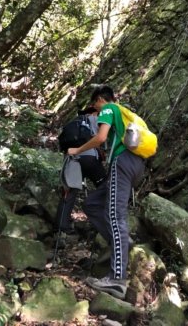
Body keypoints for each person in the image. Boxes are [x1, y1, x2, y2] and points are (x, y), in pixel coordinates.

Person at [67, 85, 145, 300]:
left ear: (101, 99)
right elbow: (109, 142)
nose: (95, 110)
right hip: (135, 166)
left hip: (123, 164)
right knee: (92, 204)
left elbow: (100, 137)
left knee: (115, 215)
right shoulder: (126, 114)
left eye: (95, 105)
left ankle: (117, 279)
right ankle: (120, 242)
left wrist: (77, 150)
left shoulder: (109, 109)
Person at [55, 107, 106, 235]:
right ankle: (104, 220)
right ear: (94, 112)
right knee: (105, 186)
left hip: (72, 159)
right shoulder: (96, 119)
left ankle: (61, 227)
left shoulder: (74, 123)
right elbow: (101, 139)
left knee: (70, 190)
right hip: (90, 158)